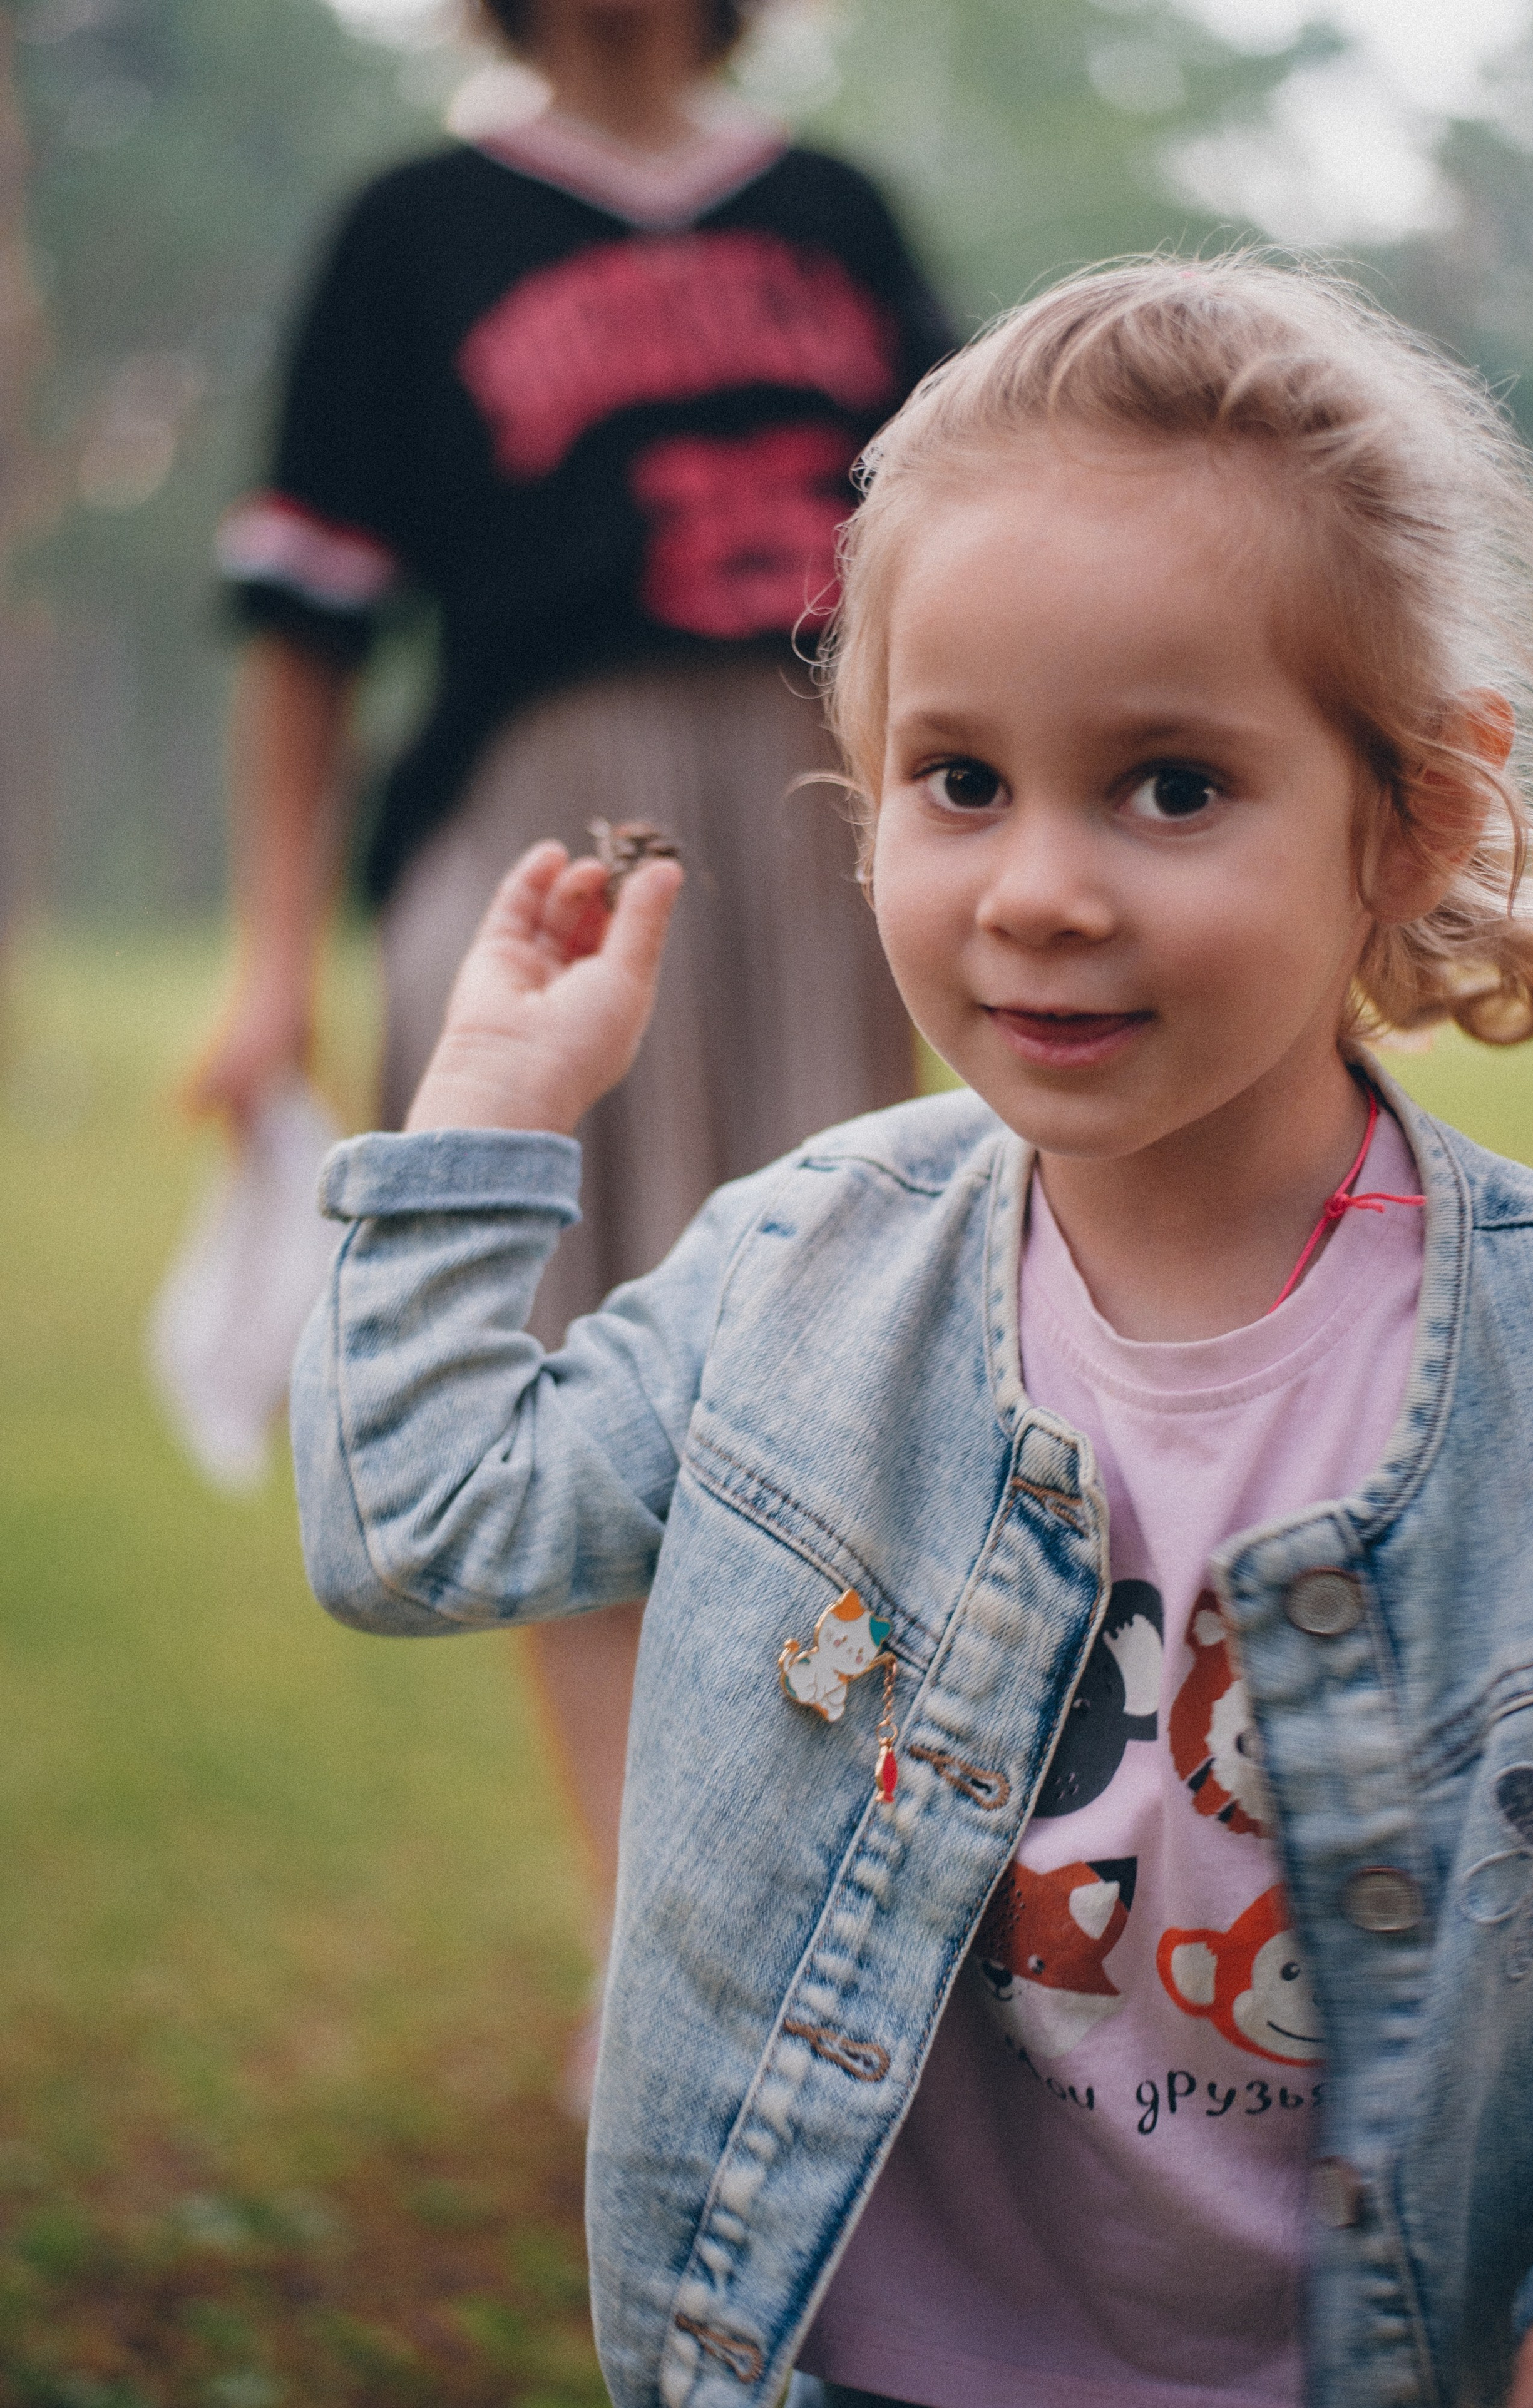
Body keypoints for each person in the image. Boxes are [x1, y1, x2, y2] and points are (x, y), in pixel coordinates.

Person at [289, 253, 1533, 2408]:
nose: (1039, 892)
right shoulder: (804, 1270)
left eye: (1171, 785)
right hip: (843, 2355)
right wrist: (488, 1121)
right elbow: (422, 1529)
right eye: (960, 781)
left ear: (1417, 816)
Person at [188, 0, 951, 2049]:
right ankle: (666, 1974)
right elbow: (304, 618)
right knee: (589, 1396)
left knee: (834, 1381)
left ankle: (838, 1931)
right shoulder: (417, 223)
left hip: (816, 837)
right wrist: (272, 955)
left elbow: (972, 541)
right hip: (557, 837)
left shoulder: (835, 208)